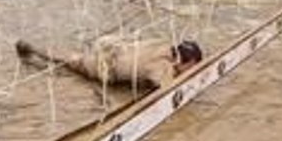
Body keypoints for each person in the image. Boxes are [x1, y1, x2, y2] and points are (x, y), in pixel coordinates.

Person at [15, 35, 203, 92]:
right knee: (66, 61)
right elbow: (162, 89)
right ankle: (34, 50)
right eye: (192, 67)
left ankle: (34, 48)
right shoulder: (164, 68)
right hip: (103, 68)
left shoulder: (163, 44)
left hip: (110, 46)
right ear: (187, 62)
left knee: (71, 56)